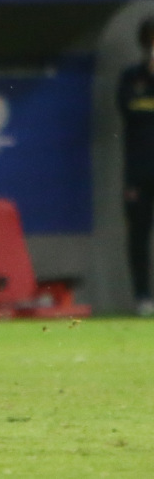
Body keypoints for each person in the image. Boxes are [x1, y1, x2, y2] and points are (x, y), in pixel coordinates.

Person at [117, 19, 154, 317]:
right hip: (139, 174)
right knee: (138, 236)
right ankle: (143, 297)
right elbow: (128, 110)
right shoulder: (131, 78)